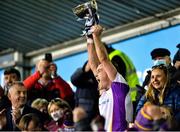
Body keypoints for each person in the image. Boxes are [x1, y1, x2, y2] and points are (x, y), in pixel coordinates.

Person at [86, 25, 133, 131]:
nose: (96, 75)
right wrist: (89, 40)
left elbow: (103, 59)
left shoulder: (118, 87)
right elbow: (93, 65)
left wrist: (96, 36)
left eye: (99, 71)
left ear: (108, 72)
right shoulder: (104, 91)